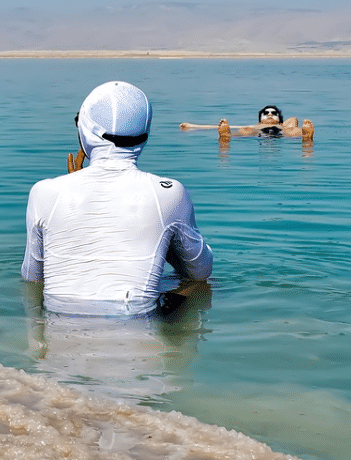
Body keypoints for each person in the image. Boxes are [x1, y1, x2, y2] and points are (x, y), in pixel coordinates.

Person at [21, 81, 213, 316]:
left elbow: (33, 279)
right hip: (141, 342)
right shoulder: (170, 192)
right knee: (192, 288)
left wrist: (73, 190)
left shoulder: (44, 192)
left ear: (85, 131)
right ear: (145, 133)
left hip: (62, 342)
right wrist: (168, 233)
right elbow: (200, 272)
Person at [180, 105, 314, 140]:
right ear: (260, 118)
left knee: (293, 131)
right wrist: (192, 126)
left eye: (274, 113)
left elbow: (293, 120)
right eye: (266, 113)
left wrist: (281, 124)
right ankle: (226, 136)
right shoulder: (255, 126)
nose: (269, 115)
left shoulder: (284, 126)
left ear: (280, 118)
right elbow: (212, 127)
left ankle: (306, 136)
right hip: (258, 132)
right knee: (245, 130)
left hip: (281, 132)